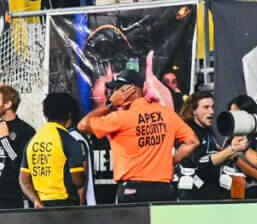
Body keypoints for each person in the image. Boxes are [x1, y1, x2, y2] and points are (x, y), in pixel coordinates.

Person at [77, 69, 200, 204]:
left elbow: (82, 125)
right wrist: (171, 161)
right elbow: (192, 141)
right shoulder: (166, 114)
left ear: (131, 90)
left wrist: (111, 104)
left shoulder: (121, 118)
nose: (114, 93)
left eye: (118, 89)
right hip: (164, 189)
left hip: (132, 189)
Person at [21, 91, 87, 208]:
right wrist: (83, 176)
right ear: (69, 114)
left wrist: (36, 200)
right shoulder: (70, 141)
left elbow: (24, 181)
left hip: (40, 208)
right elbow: (78, 181)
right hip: (66, 206)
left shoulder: (32, 141)